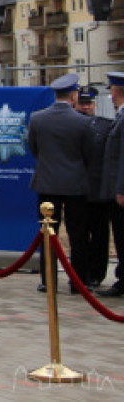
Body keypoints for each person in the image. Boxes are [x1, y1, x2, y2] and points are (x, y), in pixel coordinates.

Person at [27, 73, 91, 293]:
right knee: (78, 234)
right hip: (76, 185)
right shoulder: (83, 122)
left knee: (47, 233)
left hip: (46, 183)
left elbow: (34, 149)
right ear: (73, 95)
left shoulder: (37, 118)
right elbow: (88, 154)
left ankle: (48, 280)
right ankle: (78, 280)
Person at [77, 85, 114, 290]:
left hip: (99, 191)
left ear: (94, 104)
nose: (85, 108)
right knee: (80, 236)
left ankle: (96, 274)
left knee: (100, 236)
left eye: (88, 104)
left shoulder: (105, 125)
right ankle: (82, 273)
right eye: (82, 104)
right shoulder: (73, 125)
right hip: (78, 190)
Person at [98, 72, 124, 297]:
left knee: (122, 235)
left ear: (116, 92)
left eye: (112, 91)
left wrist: (121, 189)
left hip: (121, 190)